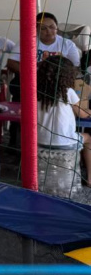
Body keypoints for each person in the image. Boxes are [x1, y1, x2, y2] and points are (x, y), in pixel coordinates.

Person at [36, 56, 91, 185]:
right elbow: (82, 114)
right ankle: (90, 178)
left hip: (40, 141)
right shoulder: (68, 92)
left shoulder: (36, 92)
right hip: (66, 143)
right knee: (89, 138)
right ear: (67, 75)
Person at [7, 12, 81, 102]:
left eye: (52, 27)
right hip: (32, 79)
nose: (49, 31)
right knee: (18, 84)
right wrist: (32, 73)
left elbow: (75, 67)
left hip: (56, 80)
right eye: (43, 28)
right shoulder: (27, 41)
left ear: (57, 27)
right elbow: (11, 62)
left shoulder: (68, 44)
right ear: (36, 29)